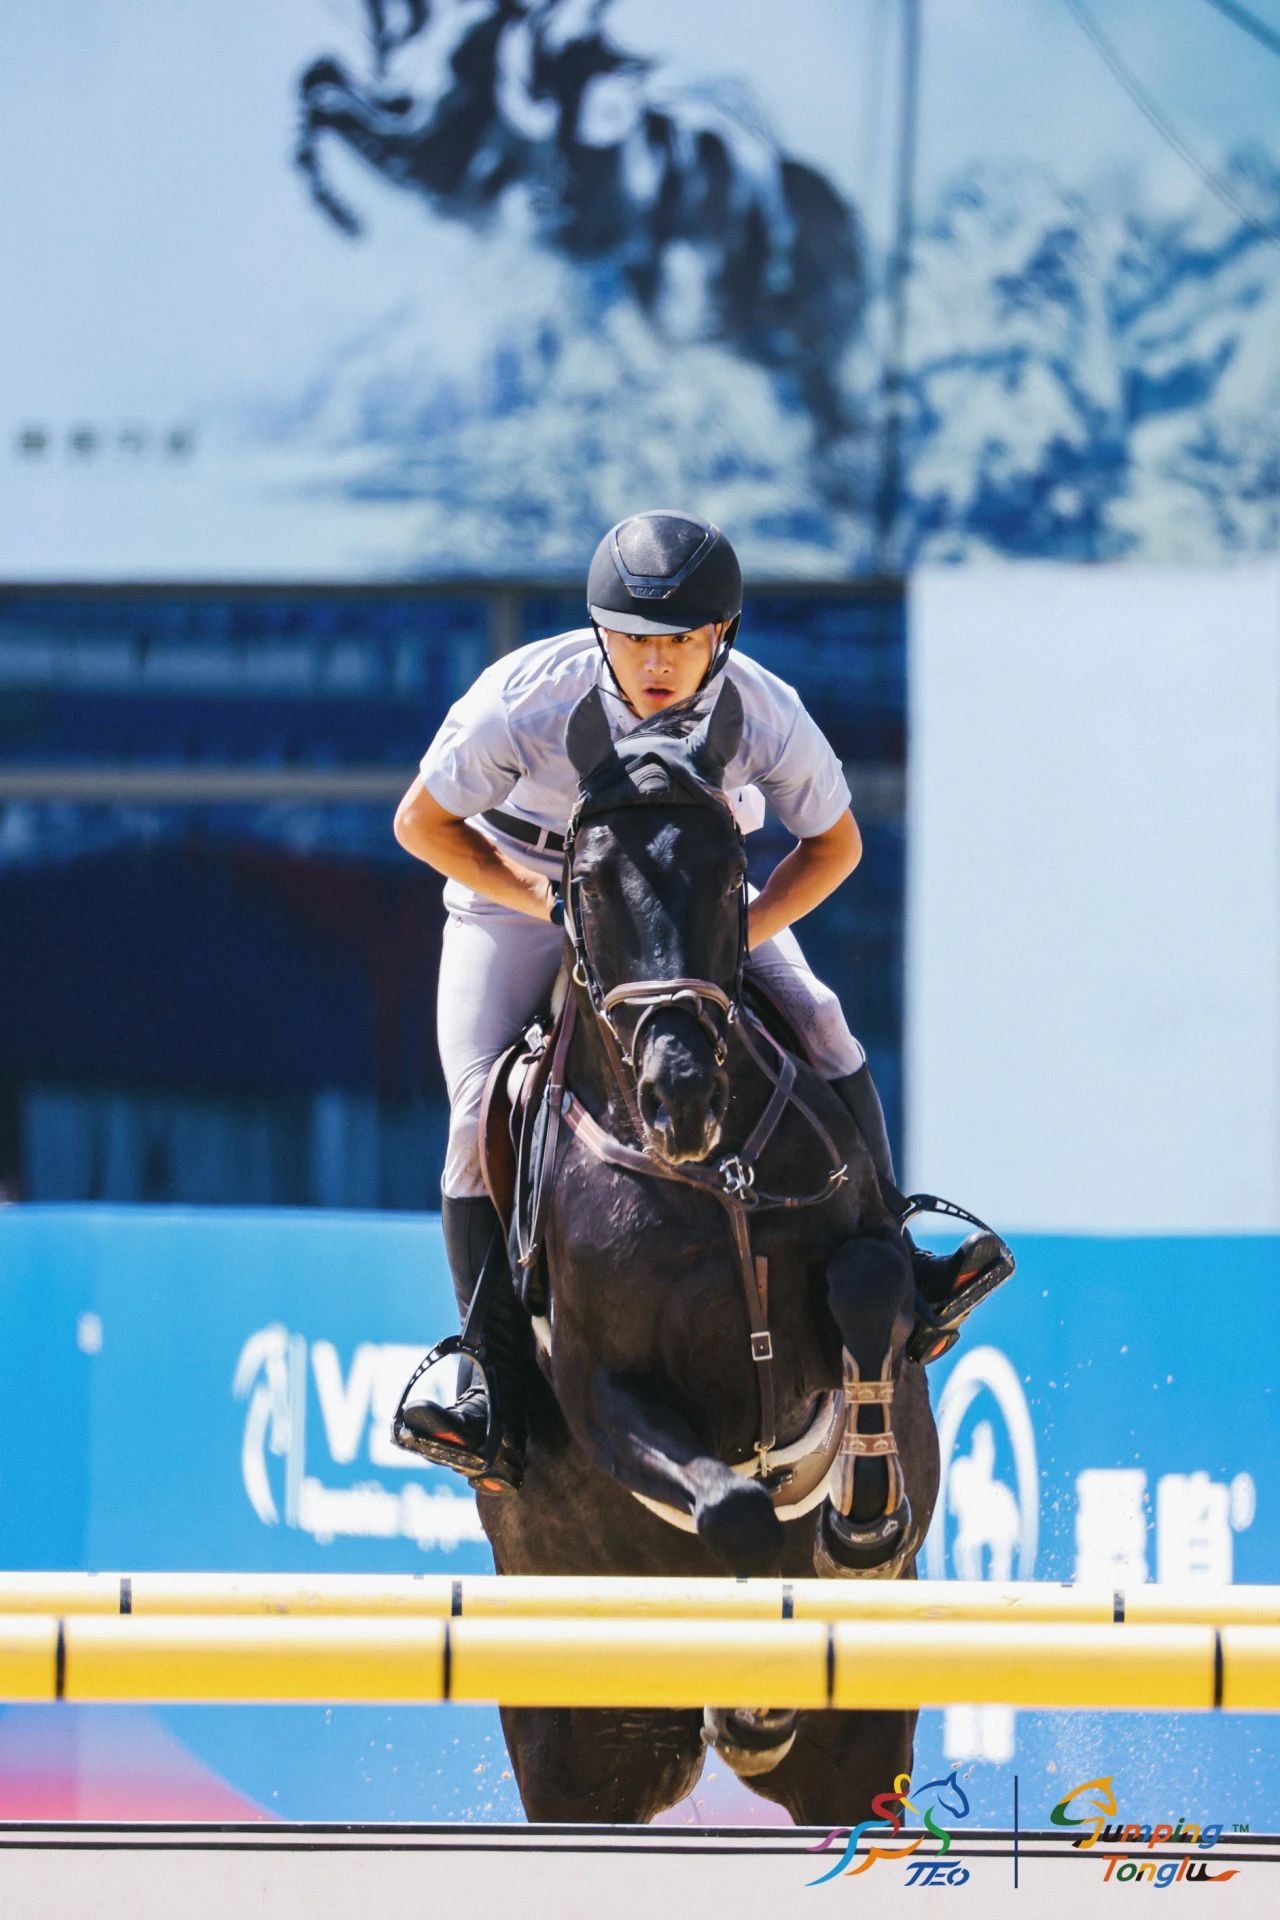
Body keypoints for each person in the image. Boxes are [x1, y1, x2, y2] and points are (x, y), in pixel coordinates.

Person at [392, 510, 1009, 1486]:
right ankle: (487, 1378)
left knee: (818, 1017)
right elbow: (420, 823)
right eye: (633, 637)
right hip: (520, 893)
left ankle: (899, 1255)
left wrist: (735, 938)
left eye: (680, 639)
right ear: (599, 632)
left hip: (683, 899)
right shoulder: (522, 702)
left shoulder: (762, 710)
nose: (656, 661)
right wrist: (549, 903)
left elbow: (836, 846)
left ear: (720, 634)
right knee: (476, 1111)